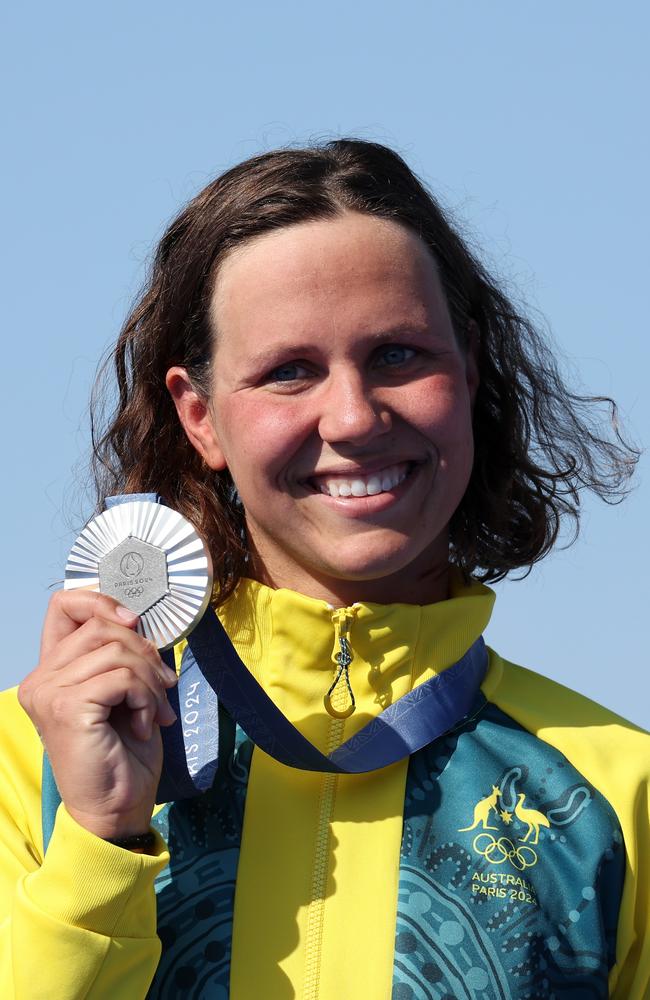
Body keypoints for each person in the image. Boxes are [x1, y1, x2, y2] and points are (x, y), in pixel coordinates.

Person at [1, 139, 648, 999]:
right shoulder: (29, 762)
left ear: (470, 368)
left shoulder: (618, 789)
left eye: (399, 355)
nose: (351, 416)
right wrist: (100, 840)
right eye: (289, 371)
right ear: (198, 418)